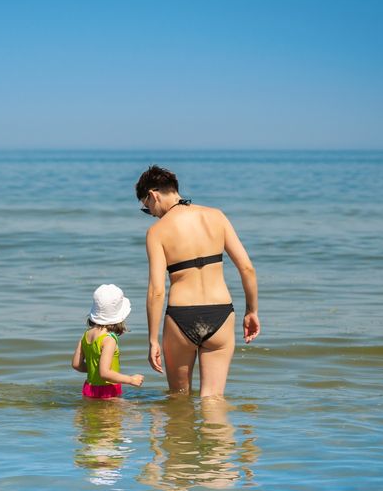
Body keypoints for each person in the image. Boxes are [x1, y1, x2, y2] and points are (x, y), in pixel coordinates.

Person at [136, 165, 260, 398]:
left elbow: (156, 291)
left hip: (181, 317)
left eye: (147, 208)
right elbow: (247, 268)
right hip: (221, 314)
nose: (152, 213)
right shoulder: (217, 216)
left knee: (179, 399)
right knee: (213, 400)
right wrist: (251, 311)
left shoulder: (157, 232)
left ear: (153, 195)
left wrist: (153, 340)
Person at [71, 284, 145, 398]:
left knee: (92, 415)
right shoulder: (109, 339)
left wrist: (93, 370)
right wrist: (131, 379)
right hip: (108, 391)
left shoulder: (86, 335)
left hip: (89, 388)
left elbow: (76, 364)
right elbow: (105, 373)